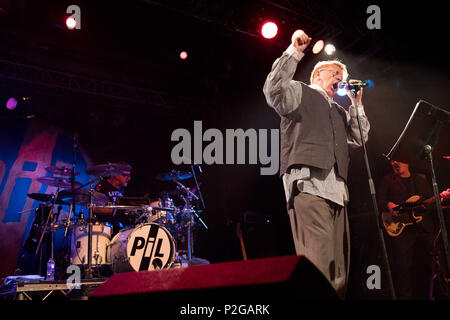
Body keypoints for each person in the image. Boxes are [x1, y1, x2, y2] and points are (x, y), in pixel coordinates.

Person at [263, 29, 370, 298]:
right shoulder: (300, 92)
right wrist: (294, 51)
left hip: (337, 193)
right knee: (318, 267)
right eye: (334, 73)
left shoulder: (340, 111)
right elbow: (272, 89)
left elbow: (359, 138)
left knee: (338, 272)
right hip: (309, 186)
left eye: (341, 76)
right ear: (316, 76)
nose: (339, 77)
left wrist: (356, 104)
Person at [377, 160, 449, 299]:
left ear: (407, 162)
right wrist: (389, 205)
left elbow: (428, 203)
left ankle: (441, 294)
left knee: (436, 262)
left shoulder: (420, 179)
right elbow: (380, 201)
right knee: (404, 268)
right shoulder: (387, 180)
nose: (395, 163)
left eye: (399, 160)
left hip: (423, 228)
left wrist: (441, 197)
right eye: (393, 161)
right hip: (401, 230)